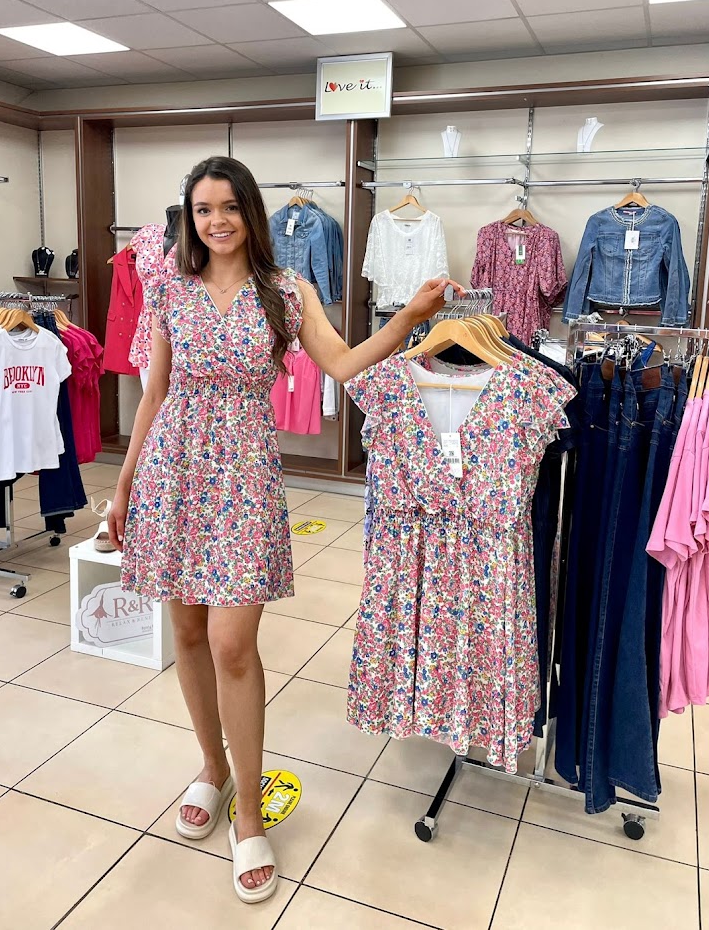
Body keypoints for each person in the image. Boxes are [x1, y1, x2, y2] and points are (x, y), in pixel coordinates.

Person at [108, 156, 458, 904]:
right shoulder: (167, 288)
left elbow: (346, 364)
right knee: (189, 633)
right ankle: (212, 767)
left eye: (229, 206)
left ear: (251, 212)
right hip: (173, 471)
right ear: (190, 218)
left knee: (233, 643)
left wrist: (408, 317)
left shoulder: (285, 290)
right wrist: (126, 484)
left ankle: (248, 809)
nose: (216, 221)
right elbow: (153, 394)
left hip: (243, 477)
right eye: (203, 209)